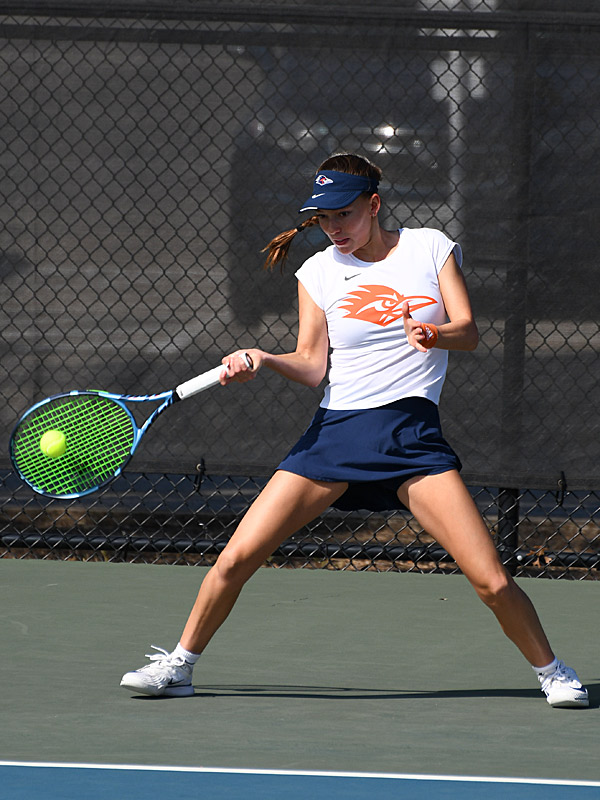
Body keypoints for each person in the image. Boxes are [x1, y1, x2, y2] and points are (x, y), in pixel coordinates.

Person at [120, 153, 588, 709]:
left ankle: (553, 673)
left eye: (343, 213)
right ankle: (178, 666)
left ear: (374, 204)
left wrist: (434, 335)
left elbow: (468, 331)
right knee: (235, 559)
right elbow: (312, 365)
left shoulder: (429, 247)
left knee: (490, 579)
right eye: (323, 218)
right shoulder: (318, 271)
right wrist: (264, 358)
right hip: (335, 434)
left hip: (410, 436)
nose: (334, 227)